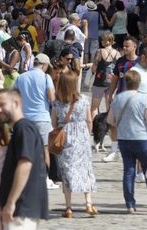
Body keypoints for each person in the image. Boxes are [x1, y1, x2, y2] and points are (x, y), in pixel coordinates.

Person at [107, 71, 147, 213]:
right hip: (142, 138)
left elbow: (110, 120)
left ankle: (130, 204)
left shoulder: (118, 99)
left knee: (128, 172)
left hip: (124, 139)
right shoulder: (143, 99)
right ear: (139, 83)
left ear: (126, 83)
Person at [0, 88, 48, 230]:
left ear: (16, 103)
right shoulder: (22, 128)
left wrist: (11, 202)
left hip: (21, 207)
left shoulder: (24, 128)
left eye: (2, 105)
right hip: (20, 208)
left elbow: (25, 164)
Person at [51, 72, 98, 218]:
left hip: (65, 138)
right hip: (82, 137)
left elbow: (54, 123)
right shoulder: (83, 100)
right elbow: (89, 120)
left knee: (67, 172)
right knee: (86, 169)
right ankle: (88, 203)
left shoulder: (57, 103)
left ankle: (68, 207)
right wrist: (87, 134)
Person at [14, 54, 57, 189]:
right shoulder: (45, 77)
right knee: (44, 150)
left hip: (25, 118)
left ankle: (25, 178)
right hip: (42, 118)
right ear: (44, 65)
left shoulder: (21, 77)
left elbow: (15, 96)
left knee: (26, 150)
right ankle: (45, 179)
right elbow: (51, 99)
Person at [104, 36, 140, 162]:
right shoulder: (120, 61)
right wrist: (110, 95)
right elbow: (115, 79)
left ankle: (133, 153)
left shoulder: (140, 62)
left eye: (127, 46)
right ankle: (114, 151)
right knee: (113, 123)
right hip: (120, 98)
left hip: (135, 100)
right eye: (124, 46)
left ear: (134, 47)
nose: (124, 48)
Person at [90, 32, 121, 119]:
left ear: (105, 41)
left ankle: (95, 127)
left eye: (102, 39)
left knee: (94, 107)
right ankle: (110, 127)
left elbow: (94, 68)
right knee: (110, 107)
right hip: (112, 83)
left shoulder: (100, 51)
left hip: (99, 82)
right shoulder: (117, 53)